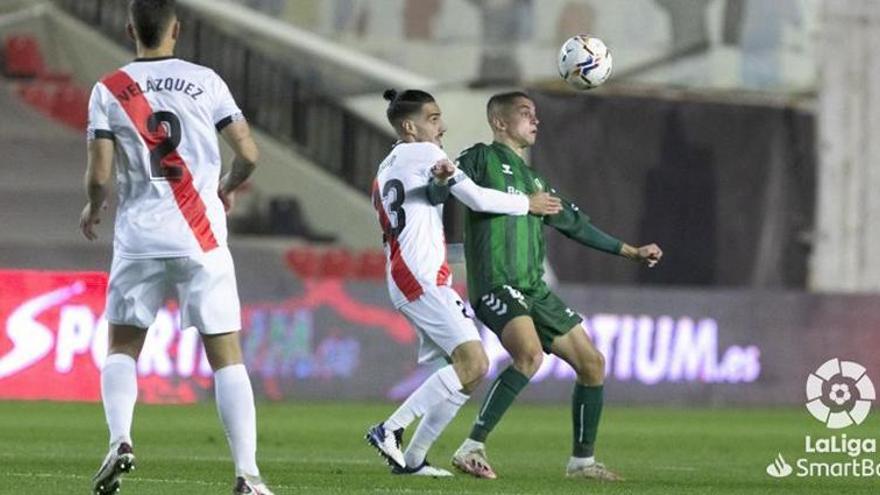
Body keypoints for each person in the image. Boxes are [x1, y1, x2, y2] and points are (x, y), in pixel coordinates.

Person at [80, 1, 273, 493]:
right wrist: (227, 185)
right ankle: (246, 475)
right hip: (200, 235)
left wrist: (92, 207)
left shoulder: (109, 88)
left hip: (139, 237)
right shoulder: (206, 80)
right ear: (177, 30)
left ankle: (120, 440)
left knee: (123, 346)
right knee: (226, 355)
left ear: (129, 31)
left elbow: (100, 174)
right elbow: (249, 153)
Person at [450, 91, 663, 481]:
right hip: (497, 282)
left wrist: (631, 251)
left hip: (534, 289)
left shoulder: (535, 181)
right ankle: (471, 446)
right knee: (529, 355)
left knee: (592, 363)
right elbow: (446, 185)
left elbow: (576, 225)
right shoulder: (479, 158)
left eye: (536, 115)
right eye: (525, 113)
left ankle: (581, 463)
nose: (536, 121)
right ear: (499, 122)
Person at [365, 89, 562, 476]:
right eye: (434, 119)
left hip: (413, 274)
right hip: (419, 277)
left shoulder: (388, 164)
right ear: (410, 126)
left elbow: (419, 217)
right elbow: (475, 198)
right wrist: (528, 204)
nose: (442, 127)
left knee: (466, 374)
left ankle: (415, 459)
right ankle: (389, 428)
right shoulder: (424, 152)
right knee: (474, 363)